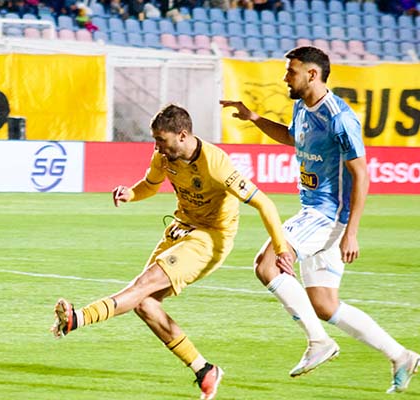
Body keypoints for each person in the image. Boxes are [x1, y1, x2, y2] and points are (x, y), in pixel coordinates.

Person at [51, 103, 294, 400]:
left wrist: (281, 250)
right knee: (145, 304)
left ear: (182, 135)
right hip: (180, 230)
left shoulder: (216, 163)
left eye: (161, 140)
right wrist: (131, 193)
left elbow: (264, 204)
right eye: (155, 140)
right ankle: (204, 369)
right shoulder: (164, 156)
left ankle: (78, 318)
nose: (157, 147)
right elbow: (150, 186)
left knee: (141, 287)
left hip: (210, 239)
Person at [220, 46, 419, 393]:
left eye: (291, 71)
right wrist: (255, 119)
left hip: (326, 215)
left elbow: (362, 175)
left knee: (267, 264)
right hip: (316, 213)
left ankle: (319, 343)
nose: (285, 77)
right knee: (325, 305)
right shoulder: (301, 107)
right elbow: (292, 137)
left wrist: (351, 232)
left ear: (312, 74)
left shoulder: (340, 118)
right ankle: (401, 355)